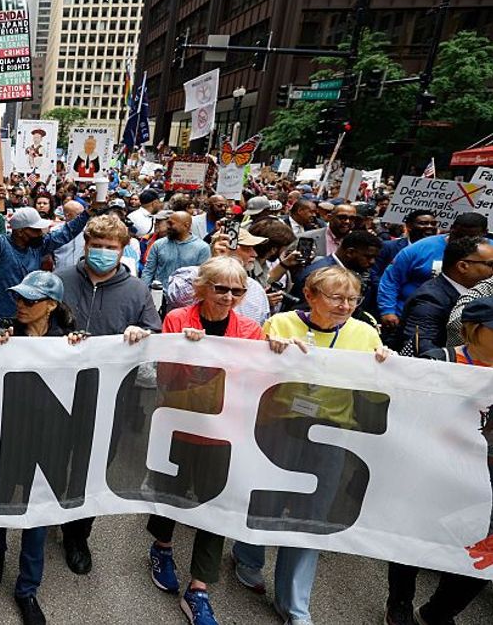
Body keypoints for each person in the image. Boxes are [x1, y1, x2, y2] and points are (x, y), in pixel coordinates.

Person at [232, 267, 396, 625]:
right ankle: (247, 556)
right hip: (279, 426)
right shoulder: (281, 324)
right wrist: (269, 352)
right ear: (310, 295)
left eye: (352, 299)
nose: (345, 306)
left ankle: (294, 605)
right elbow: (250, 373)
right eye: (336, 298)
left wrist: (386, 368)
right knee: (267, 499)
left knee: (313, 516)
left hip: (332, 434)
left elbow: (373, 392)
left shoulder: (366, 333)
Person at [147, 257, 267, 625]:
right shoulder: (177, 320)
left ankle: (199, 587)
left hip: (225, 431)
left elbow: (253, 380)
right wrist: (187, 351)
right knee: (172, 492)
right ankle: (162, 546)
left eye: (238, 290)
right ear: (202, 288)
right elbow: (165, 378)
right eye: (221, 288)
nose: (229, 296)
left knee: (216, 505)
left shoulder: (250, 330)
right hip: (179, 424)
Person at [54, 215, 161, 574]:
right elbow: (34, 324)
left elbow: (154, 335)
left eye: (110, 247)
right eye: (96, 246)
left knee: (94, 466)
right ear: (85, 246)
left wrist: (141, 334)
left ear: (122, 250)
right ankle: (50, 510)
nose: (102, 253)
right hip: (59, 392)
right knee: (54, 457)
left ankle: (78, 533)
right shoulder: (61, 281)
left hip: (112, 399)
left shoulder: (137, 292)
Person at [0, 270, 85, 625]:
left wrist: (85, 349)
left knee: (37, 515)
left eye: (30, 300)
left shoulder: (70, 341)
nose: (21, 306)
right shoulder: (4, 333)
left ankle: (27, 589)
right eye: (19, 299)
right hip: (9, 437)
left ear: (51, 305)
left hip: (50, 442)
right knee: (1, 502)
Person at [384, 297, 493, 625]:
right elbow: (403, 411)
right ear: (473, 330)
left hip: (485, 482)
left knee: (481, 559)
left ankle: (436, 613)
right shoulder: (439, 361)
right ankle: (399, 602)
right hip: (431, 472)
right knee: (413, 540)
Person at [0, 185, 87, 328]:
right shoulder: (0, 246)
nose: (40, 233)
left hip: (28, 320)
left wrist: (87, 214)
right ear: (21, 231)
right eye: (35, 230)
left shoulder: (38, 246)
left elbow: (66, 233)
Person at [379, 213, 490, 335]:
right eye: (459, 235)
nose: (465, 241)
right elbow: (391, 279)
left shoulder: (490, 251)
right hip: (417, 315)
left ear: (485, 233)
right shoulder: (420, 248)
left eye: (473, 237)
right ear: (452, 229)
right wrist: (388, 310)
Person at [399, 236, 493, 356]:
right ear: (462, 266)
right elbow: (421, 345)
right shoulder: (430, 299)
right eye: (490, 264)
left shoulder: (483, 292)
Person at [167, 228, 273, 325]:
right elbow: (177, 298)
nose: (254, 254)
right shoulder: (189, 274)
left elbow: (260, 327)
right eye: (247, 248)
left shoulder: (256, 289)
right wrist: (216, 265)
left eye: (237, 291)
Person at [142, 212, 210, 292]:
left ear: (186, 225)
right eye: (167, 223)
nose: (167, 227)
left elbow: (203, 278)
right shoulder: (158, 244)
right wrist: (144, 293)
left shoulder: (202, 248)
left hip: (187, 299)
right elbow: (148, 271)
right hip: (160, 296)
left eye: (171, 224)